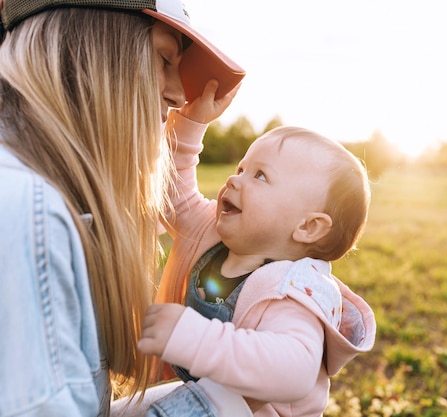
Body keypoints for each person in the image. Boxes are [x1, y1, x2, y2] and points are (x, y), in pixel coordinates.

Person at [0, 0, 243, 415]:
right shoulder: (25, 209)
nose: (179, 93)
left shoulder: (51, 196)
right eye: (164, 59)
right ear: (84, 46)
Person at [137, 121, 377, 416]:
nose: (234, 180)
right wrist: (192, 121)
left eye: (260, 176)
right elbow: (172, 189)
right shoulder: (212, 232)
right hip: (203, 398)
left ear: (308, 226)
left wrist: (197, 338)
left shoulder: (292, 292)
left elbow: (295, 372)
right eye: (241, 169)